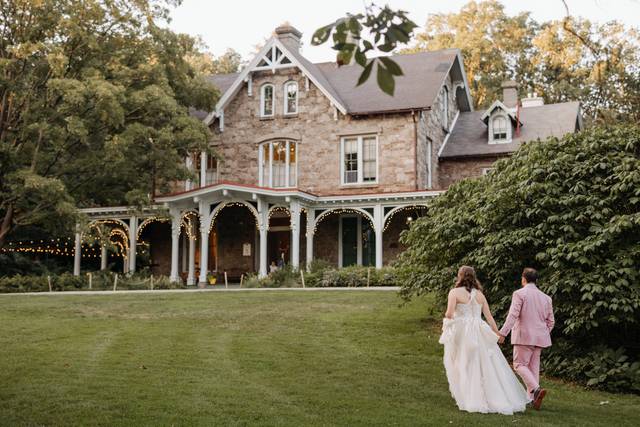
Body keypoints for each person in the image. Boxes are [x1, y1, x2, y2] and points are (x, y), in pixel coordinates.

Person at [439, 266, 529, 415]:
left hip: (463, 331)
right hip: (480, 329)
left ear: (460, 276)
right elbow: (489, 317)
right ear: (474, 277)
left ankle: (471, 397)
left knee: (465, 362)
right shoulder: (480, 295)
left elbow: (449, 313)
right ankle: (490, 395)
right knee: (484, 362)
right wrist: (498, 333)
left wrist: (450, 322)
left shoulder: (454, 292)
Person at [498, 267, 555, 410]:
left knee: (519, 365)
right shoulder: (546, 298)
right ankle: (531, 399)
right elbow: (551, 322)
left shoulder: (519, 294)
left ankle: (536, 389)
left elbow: (513, 315)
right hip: (540, 338)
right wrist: (542, 332)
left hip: (524, 336)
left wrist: (503, 333)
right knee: (533, 368)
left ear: (523, 279)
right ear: (536, 280)